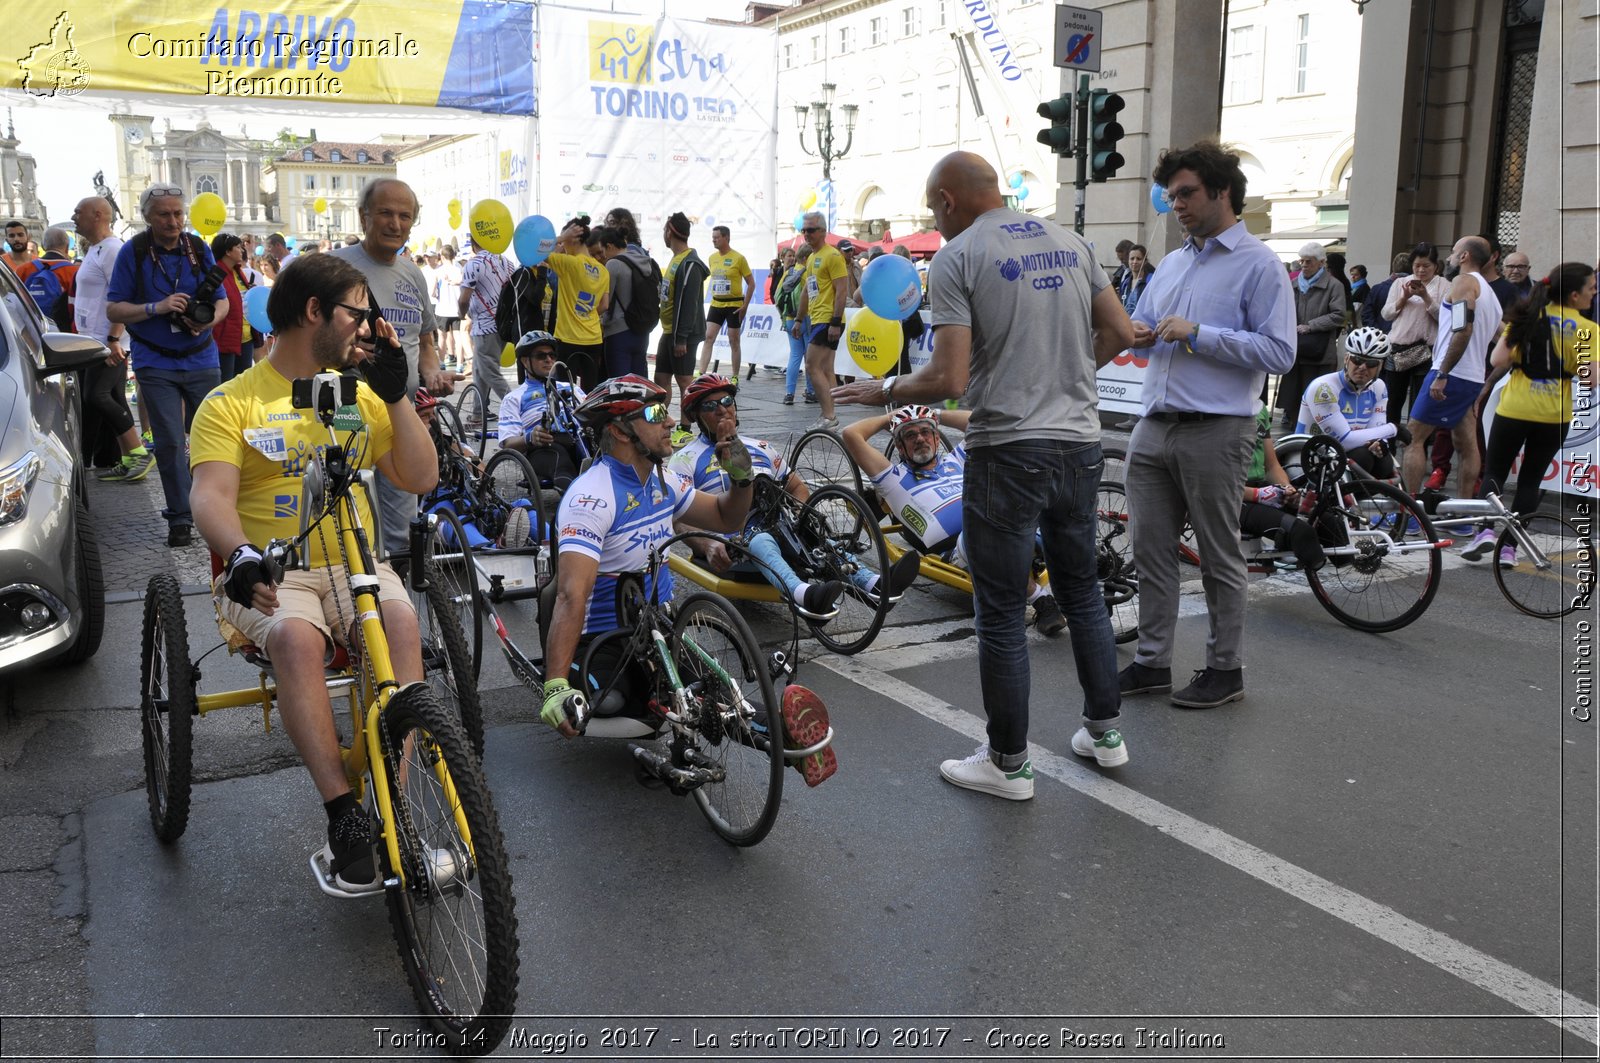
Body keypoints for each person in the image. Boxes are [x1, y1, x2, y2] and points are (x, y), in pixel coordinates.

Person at [834, 150, 1135, 797]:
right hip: (1080, 441)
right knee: (1082, 589)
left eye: (932, 209)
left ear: (946, 200)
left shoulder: (960, 256)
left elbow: (947, 378)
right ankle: (1105, 733)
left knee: (1000, 611)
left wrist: (882, 388)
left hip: (1009, 446)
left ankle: (1007, 762)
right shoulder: (1072, 241)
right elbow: (1120, 331)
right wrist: (1070, 375)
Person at [189, 252, 438, 892]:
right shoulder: (231, 402)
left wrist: (397, 395)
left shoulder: (359, 392)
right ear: (313, 312)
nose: (368, 326)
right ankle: (343, 815)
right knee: (299, 642)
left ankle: (395, 806)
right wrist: (240, 554)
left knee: (402, 627)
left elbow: (419, 477)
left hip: (355, 561)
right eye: (359, 312)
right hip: (274, 570)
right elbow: (211, 496)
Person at [1119, 141, 1296, 711]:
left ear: (1222, 191)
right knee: (1149, 549)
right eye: (1171, 197)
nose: (1177, 205)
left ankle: (1226, 669)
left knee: (1220, 555)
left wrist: (1199, 333)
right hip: (1155, 423)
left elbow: (1280, 352)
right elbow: (1142, 326)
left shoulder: (1260, 264)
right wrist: (1137, 333)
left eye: (1187, 193)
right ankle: (1151, 662)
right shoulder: (1171, 262)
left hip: (1217, 428)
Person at [538, 375, 756, 739]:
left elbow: (726, 517)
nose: (671, 421)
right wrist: (556, 682)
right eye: (656, 413)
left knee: (714, 694)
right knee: (611, 703)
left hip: (658, 625)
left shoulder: (663, 481)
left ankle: (791, 736)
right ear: (622, 432)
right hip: (602, 635)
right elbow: (570, 594)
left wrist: (741, 476)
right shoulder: (591, 496)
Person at [670, 373, 920, 617]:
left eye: (726, 402)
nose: (721, 409)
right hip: (732, 544)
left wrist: (802, 515)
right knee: (761, 541)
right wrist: (708, 545)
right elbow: (679, 518)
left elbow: (797, 487)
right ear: (696, 417)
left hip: (779, 526)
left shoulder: (761, 447)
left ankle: (873, 583)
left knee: (812, 533)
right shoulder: (685, 459)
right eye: (710, 406)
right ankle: (803, 595)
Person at [840, 403, 1066, 633]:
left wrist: (934, 414)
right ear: (900, 447)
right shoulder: (893, 478)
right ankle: (1042, 601)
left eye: (926, 432)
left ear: (937, 438)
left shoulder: (955, 460)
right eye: (910, 435)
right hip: (961, 545)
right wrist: (891, 417)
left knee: (1039, 504)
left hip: (1000, 522)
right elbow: (851, 434)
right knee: (987, 531)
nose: (920, 438)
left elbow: (982, 423)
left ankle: (1085, 562)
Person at [329, 179, 456, 559]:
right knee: (348, 518)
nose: (395, 223)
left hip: (405, 412)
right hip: (347, 411)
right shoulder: (332, 267)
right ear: (364, 216)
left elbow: (427, 342)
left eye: (405, 216)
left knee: (402, 528)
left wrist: (432, 375)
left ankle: (394, 601)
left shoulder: (412, 272)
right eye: (385, 213)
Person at [105, 184, 231, 548]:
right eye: (164, 214)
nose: (173, 221)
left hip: (201, 356)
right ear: (147, 217)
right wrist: (156, 308)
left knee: (216, 438)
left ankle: (221, 507)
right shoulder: (134, 251)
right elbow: (114, 309)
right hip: (155, 360)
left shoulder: (197, 248)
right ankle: (180, 517)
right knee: (171, 442)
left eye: (178, 213)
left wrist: (207, 321)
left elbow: (221, 301)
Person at [1462, 262, 1596, 565]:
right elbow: (1590, 378)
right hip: (1554, 415)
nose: (1594, 292)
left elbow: (1498, 358)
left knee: (1495, 471)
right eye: (1591, 287)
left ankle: (1484, 531)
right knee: (1529, 481)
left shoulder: (1525, 318)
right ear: (1574, 295)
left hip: (1514, 409)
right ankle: (1509, 548)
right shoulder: (1588, 329)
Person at [1401, 235, 1503, 499]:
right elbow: (1506, 338)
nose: (1449, 257)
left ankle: (1409, 511)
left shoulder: (1463, 282)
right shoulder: (1489, 293)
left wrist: (1443, 373)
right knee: (1466, 445)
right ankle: (1463, 513)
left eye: (1453, 251)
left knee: (1413, 437)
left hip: (1450, 372)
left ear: (1465, 256)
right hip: (1471, 376)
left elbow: (1463, 329)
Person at [72, 196, 151, 482]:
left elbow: (124, 296)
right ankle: (125, 458)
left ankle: (139, 454)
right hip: (92, 340)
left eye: (78, 212)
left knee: (98, 395)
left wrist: (113, 338)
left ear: (97, 215)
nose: (73, 216)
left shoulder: (113, 250)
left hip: (106, 341)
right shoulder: (95, 249)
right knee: (112, 396)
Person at [1295, 327, 1403, 481]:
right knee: (1362, 458)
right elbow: (1344, 441)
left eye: (1371, 363)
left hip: (1342, 456)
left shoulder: (1379, 387)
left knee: (1383, 461)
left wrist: (1379, 444)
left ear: (1380, 366)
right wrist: (1393, 429)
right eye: (1357, 360)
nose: (1362, 367)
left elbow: (1377, 430)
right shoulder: (1324, 388)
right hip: (1310, 457)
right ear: (1346, 359)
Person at [497, 330, 586, 493]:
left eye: (552, 355)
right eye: (541, 356)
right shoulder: (514, 398)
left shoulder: (570, 388)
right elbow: (508, 443)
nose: (549, 360)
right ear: (525, 361)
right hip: (542, 449)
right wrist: (531, 437)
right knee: (560, 458)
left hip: (577, 440)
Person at [1278, 242, 1349, 427]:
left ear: (1321, 262)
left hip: (1319, 350)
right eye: (1301, 261)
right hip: (1295, 349)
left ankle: (1314, 434)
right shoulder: (1293, 284)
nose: (1303, 265)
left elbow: (1339, 315)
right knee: (1293, 399)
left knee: (1316, 399)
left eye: (1308, 261)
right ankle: (1295, 432)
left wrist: (1311, 326)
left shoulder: (1334, 285)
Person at [1380, 243, 1448, 431]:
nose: (1420, 270)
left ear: (1436, 266)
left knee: (1420, 403)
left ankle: (1415, 443)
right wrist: (1403, 298)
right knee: (1393, 400)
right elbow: (1386, 314)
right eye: (1417, 265)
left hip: (1426, 352)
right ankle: (1389, 442)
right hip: (1398, 349)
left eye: (1426, 265)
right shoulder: (1400, 283)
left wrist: (1426, 297)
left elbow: (1445, 318)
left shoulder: (1444, 286)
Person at [542, 217, 612, 391]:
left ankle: (569, 419)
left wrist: (561, 237)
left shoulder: (568, 263)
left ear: (572, 240)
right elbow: (604, 305)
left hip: (568, 338)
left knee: (566, 391)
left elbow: (537, 249)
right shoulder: (603, 270)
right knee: (589, 392)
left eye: (565, 242)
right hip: (594, 339)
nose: (563, 247)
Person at [794, 212, 849, 430]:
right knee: (826, 369)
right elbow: (808, 290)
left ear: (823, 231)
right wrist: (799, 318)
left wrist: (835, 322)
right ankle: (831, 414)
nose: (806, 234)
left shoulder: (833, 256)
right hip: (817, 318)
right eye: (804, 230)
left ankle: (829, 416)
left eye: (811, 230)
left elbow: (842, 290)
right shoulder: (811, 258)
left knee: (811, 365)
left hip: (828, 319)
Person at [655, 212, 708, 425]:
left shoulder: (691, 264)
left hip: (682, 335)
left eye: (664, 231)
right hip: (669, 332)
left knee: (685, 381)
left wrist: (682, 338)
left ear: (670, 231)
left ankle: (687, 428)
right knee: (660, 380)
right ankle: (660, 422)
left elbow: (689, 305)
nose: (664, 235)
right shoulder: (676, 260)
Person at [457, 233, 516, 405]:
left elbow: (463, 299)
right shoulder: (506, 262)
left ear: (473, 244)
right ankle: (478, 412)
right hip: (503, 325)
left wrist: (462, 314)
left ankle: (517, 407)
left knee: (489, 372)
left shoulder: (473, 264)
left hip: (484, 326)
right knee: (479, 369)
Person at [596, 226, 655, 378]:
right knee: (638, 385)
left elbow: (604, 301)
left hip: (618, 332)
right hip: (642, 331)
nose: (602, 256)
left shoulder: (614, 264)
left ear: (609, 246)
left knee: (620, 386)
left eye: (602, 251)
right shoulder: (646, 262)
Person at [696, 226, 755, 378]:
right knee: (708, 337)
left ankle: (735, 376)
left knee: (733, 340)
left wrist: (745, 305)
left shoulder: (739, 258)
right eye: (713, 237)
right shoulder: (712, 258)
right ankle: (701, 372)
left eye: (717, 237)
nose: (713, 240)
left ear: (726, 238)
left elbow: (751, 283)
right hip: (716, 303)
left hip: (734, 305)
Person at [17, 225, 80, 330]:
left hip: (31, 331)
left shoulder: (22, 270)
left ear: (43, 246)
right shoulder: (75, 272)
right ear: (67, 247)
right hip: (62, 333)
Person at [774, 246, 814, 405]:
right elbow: (813, 296)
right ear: (806, 258)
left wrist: (784, 318)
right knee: (810, 357)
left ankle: (789, 394)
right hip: (806, 317)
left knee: (795, 355)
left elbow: (777, 297)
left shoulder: (788, 273)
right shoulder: (807, 273)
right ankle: (811, 391)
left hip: (790, 319)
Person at [209, 234, 249, 382]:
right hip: (225, 337)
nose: (242, 250)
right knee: (226, 383)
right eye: (238, 247)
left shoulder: (237, 271)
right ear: (227, 251)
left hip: (244, 336)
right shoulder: (217, 273)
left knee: (242, 383)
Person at [1363, 252, 1414, 333]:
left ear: (1393, 267)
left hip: (1378, 337)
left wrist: (1377, 333)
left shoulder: (1377, 289)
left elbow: (1367, 315)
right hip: (1405, 337)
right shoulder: (1416, 291)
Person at [432, 245, 465, 371]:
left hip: (442, 309)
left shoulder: (438, 271)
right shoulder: (459, 269)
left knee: (442, 337)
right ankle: (460, 365)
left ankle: (441, 362)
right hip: (456, 309)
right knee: (459, 337)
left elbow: (432, 292)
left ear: (442, 256)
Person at [1118, 243, 1154, 315]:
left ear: (1145, 261)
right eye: (1132, 259)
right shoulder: (1125, 283)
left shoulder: (1151, 280)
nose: (1134, 262)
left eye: (1138, 259)